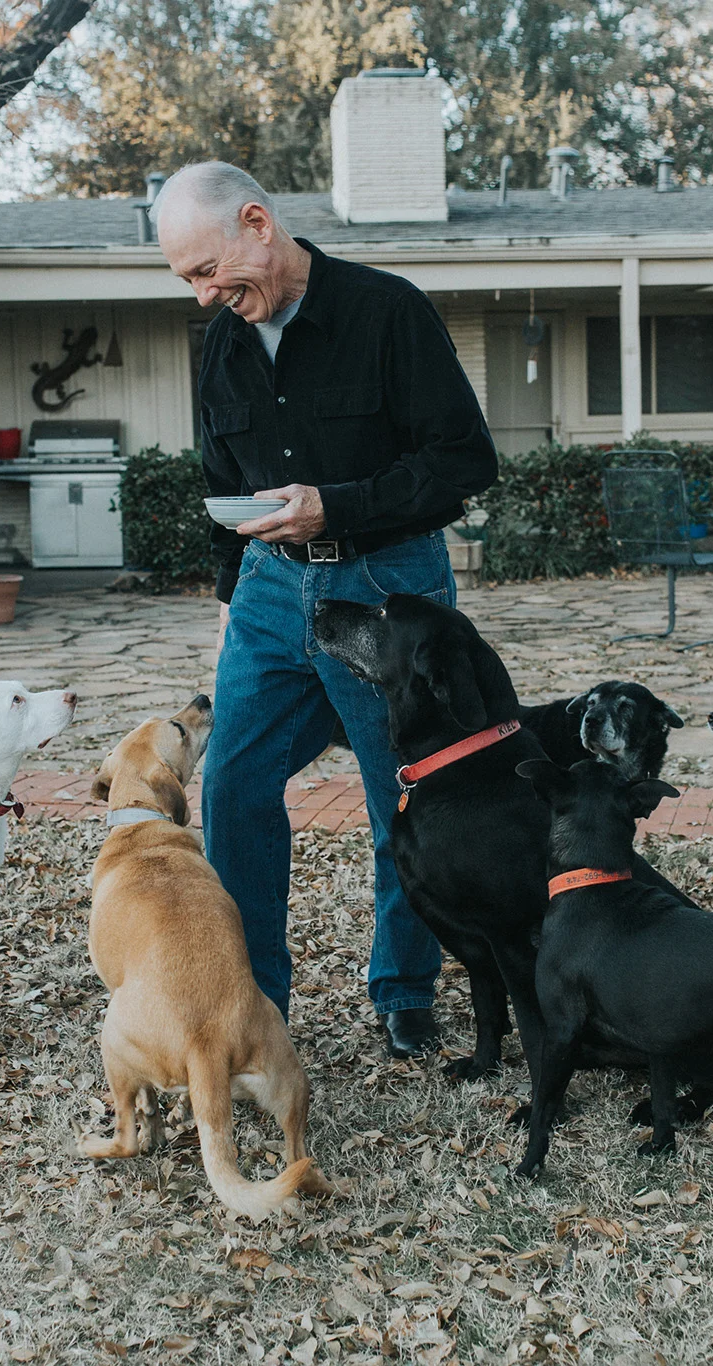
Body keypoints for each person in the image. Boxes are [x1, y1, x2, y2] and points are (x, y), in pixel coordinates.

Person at [155, 161, 499, 1060]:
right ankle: (255, 1000)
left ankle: (404, 990)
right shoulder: (222, 345)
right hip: (270, 592)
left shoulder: (388, 312)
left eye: (205, 271)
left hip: (387, 589)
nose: (201, 298)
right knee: (232, 784)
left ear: (258, 223)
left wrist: (335, 505)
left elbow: (464, 462)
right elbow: (221, 488)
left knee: (402, 798)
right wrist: (233, 601)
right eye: (187, 281)